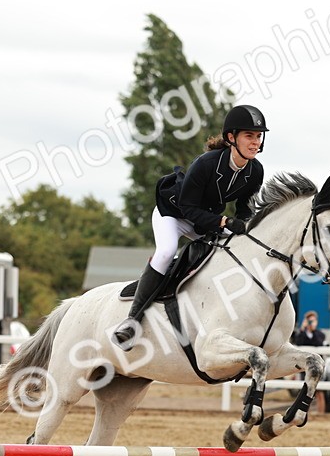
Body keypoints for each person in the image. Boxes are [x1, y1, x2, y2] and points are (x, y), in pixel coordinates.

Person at [112, 104, 268, 349]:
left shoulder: (255, 171)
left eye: (258, 136)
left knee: (232, 248)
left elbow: (245, 208)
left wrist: (245, 226)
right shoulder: (206, 163)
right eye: (249, 135)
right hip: (173, 214)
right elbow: (187, 207)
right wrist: (224, 222)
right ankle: (132, 319)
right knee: (166, 252)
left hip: (204, 220)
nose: (255, 142)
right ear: (231, 137)